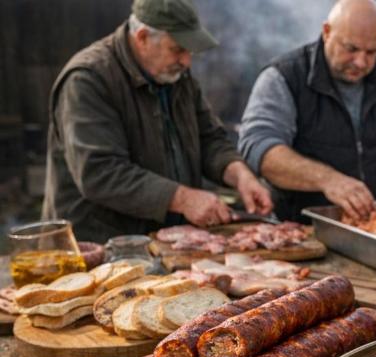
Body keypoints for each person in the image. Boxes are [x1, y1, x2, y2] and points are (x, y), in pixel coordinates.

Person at [42, 0, 272, 242]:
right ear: (142, 37)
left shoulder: (176, 75)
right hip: (98, 246)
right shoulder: (87, 80)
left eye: (189, 51)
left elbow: (209, 138)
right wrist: (183, 199)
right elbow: (100, 172)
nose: (186, 61)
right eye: (177, 49)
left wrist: (240, 175)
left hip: (165, 242)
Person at [238, 0, 376, 222]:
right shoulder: (285, 77)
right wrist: (327, 179)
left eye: (371, 52)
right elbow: (258, 147)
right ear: (327, 32)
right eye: (351, 49)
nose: (361, 62)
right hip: (302, 230)